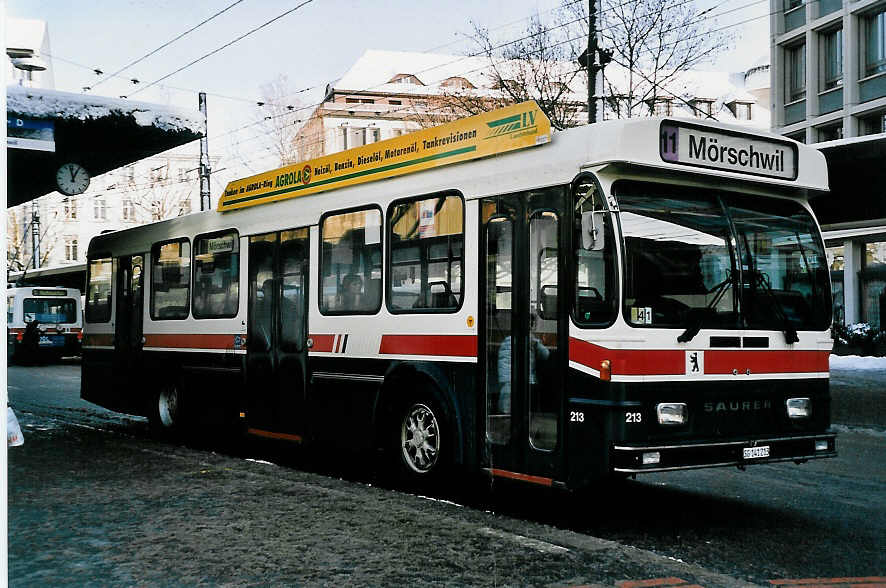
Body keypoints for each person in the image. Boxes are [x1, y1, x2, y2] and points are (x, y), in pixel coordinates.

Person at [497, 315, 551, 413]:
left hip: (507, 381)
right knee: (528, 408)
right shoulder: (532, 341)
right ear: (530, 326)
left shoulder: (506, 341)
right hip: (527, 381)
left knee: (507, 410)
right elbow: (546, 354)